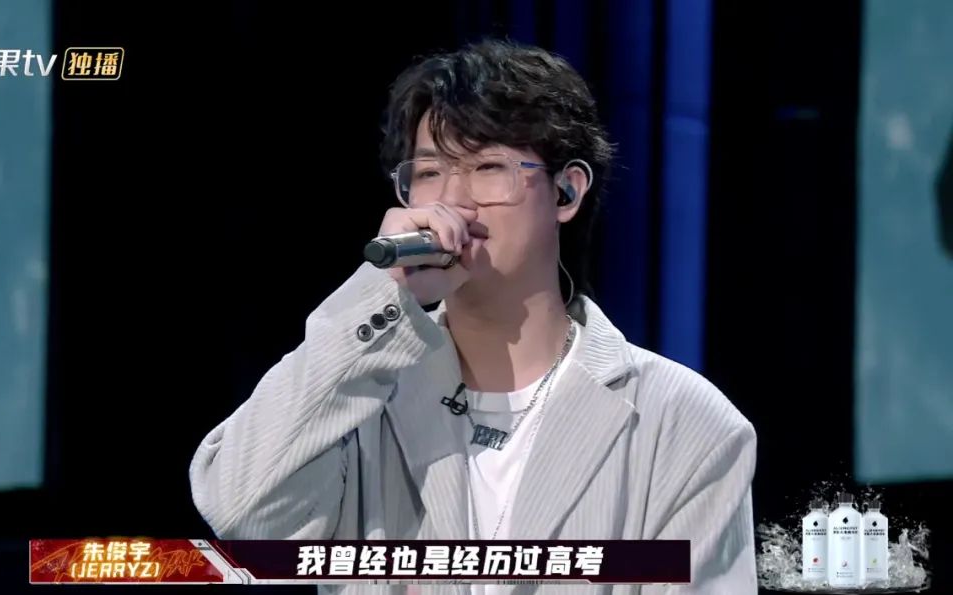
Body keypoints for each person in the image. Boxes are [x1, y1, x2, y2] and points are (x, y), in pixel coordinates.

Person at [189, 39, 757, 594]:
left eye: (488, 166)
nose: (454, 202)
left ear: (566, 191)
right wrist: (384, 294)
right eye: (429, 172)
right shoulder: (357, 394)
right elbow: (242, 513)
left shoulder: (686, 423)